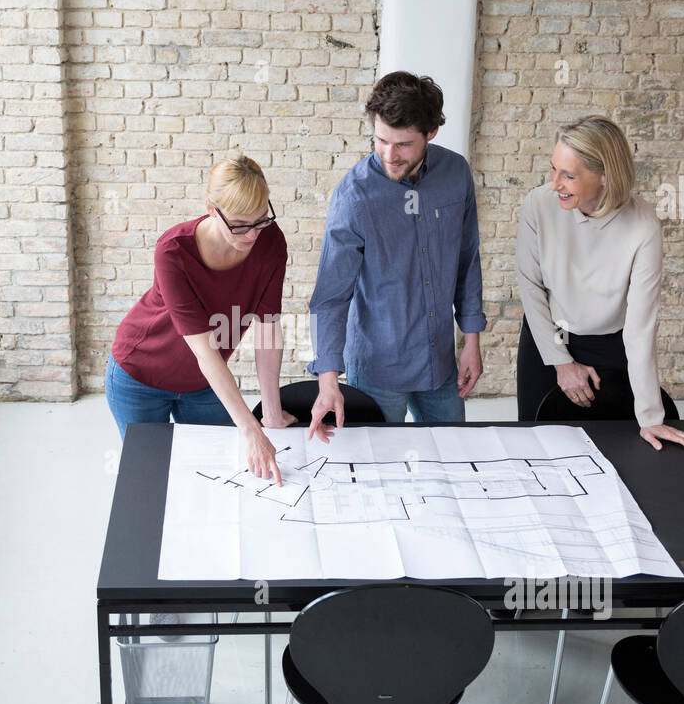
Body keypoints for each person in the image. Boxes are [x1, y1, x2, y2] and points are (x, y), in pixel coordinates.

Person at [306, 71, 486, 440]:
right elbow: (331, 296)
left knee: (452, 456)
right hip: (377, 370)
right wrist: (328, 381)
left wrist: (472, 341)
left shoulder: (456, 175)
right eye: (381, 140)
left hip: (439, 366)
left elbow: (467, 260)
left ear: (431, 133)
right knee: (376, 469)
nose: (389, 155)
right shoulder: (354, 196)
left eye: (402, 144)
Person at [516, 115, 684, 452]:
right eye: (554, 169)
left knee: (616, 451)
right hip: (551, 335)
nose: (555, 184)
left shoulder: (642, 225)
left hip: (610, 343)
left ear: (604, 176)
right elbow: (532, 288)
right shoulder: (539, 205)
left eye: (569, 175)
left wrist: (650, 416)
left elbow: (640, 327)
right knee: (538, 448)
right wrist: (561, 361)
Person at [106, 153, 295, 483]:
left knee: (218, 477)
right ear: (211, 208)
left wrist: (272, 413)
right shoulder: (173, 251)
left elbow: (267, 332)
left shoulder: (271, 243)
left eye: (261, 219)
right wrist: (251, 430)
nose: (251, 234)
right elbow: (205, 351)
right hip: (140, 376)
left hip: (204, 385)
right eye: (239, 224)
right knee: (150, 477)